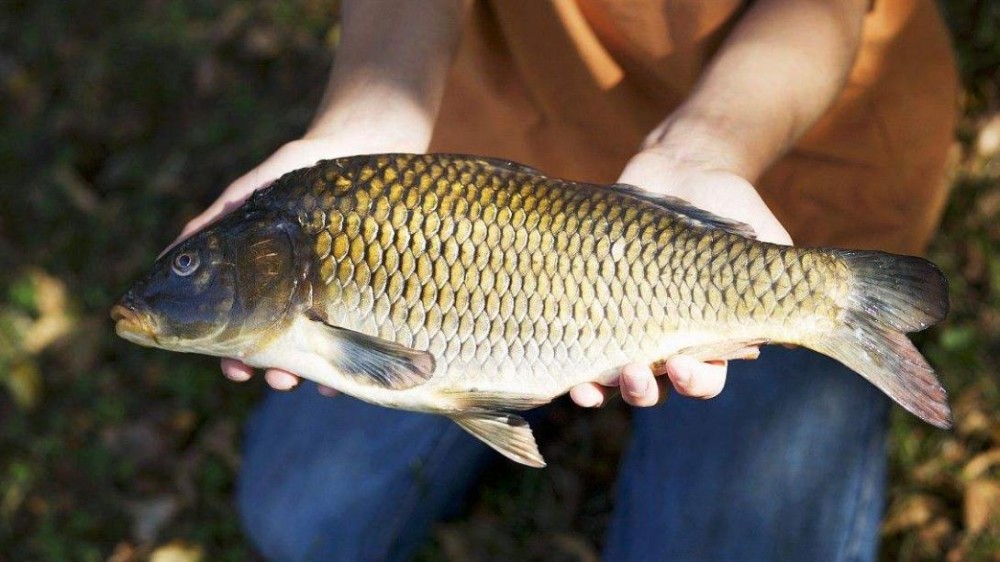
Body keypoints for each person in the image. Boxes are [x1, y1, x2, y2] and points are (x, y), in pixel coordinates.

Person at [175, 0, 957, 560]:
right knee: (297, 519)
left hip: (779, 174)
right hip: (468, 194)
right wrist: (366, 121)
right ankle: (527, 378)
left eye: (191, 265)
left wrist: (707, 152)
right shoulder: (331, 220)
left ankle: (814, 315)